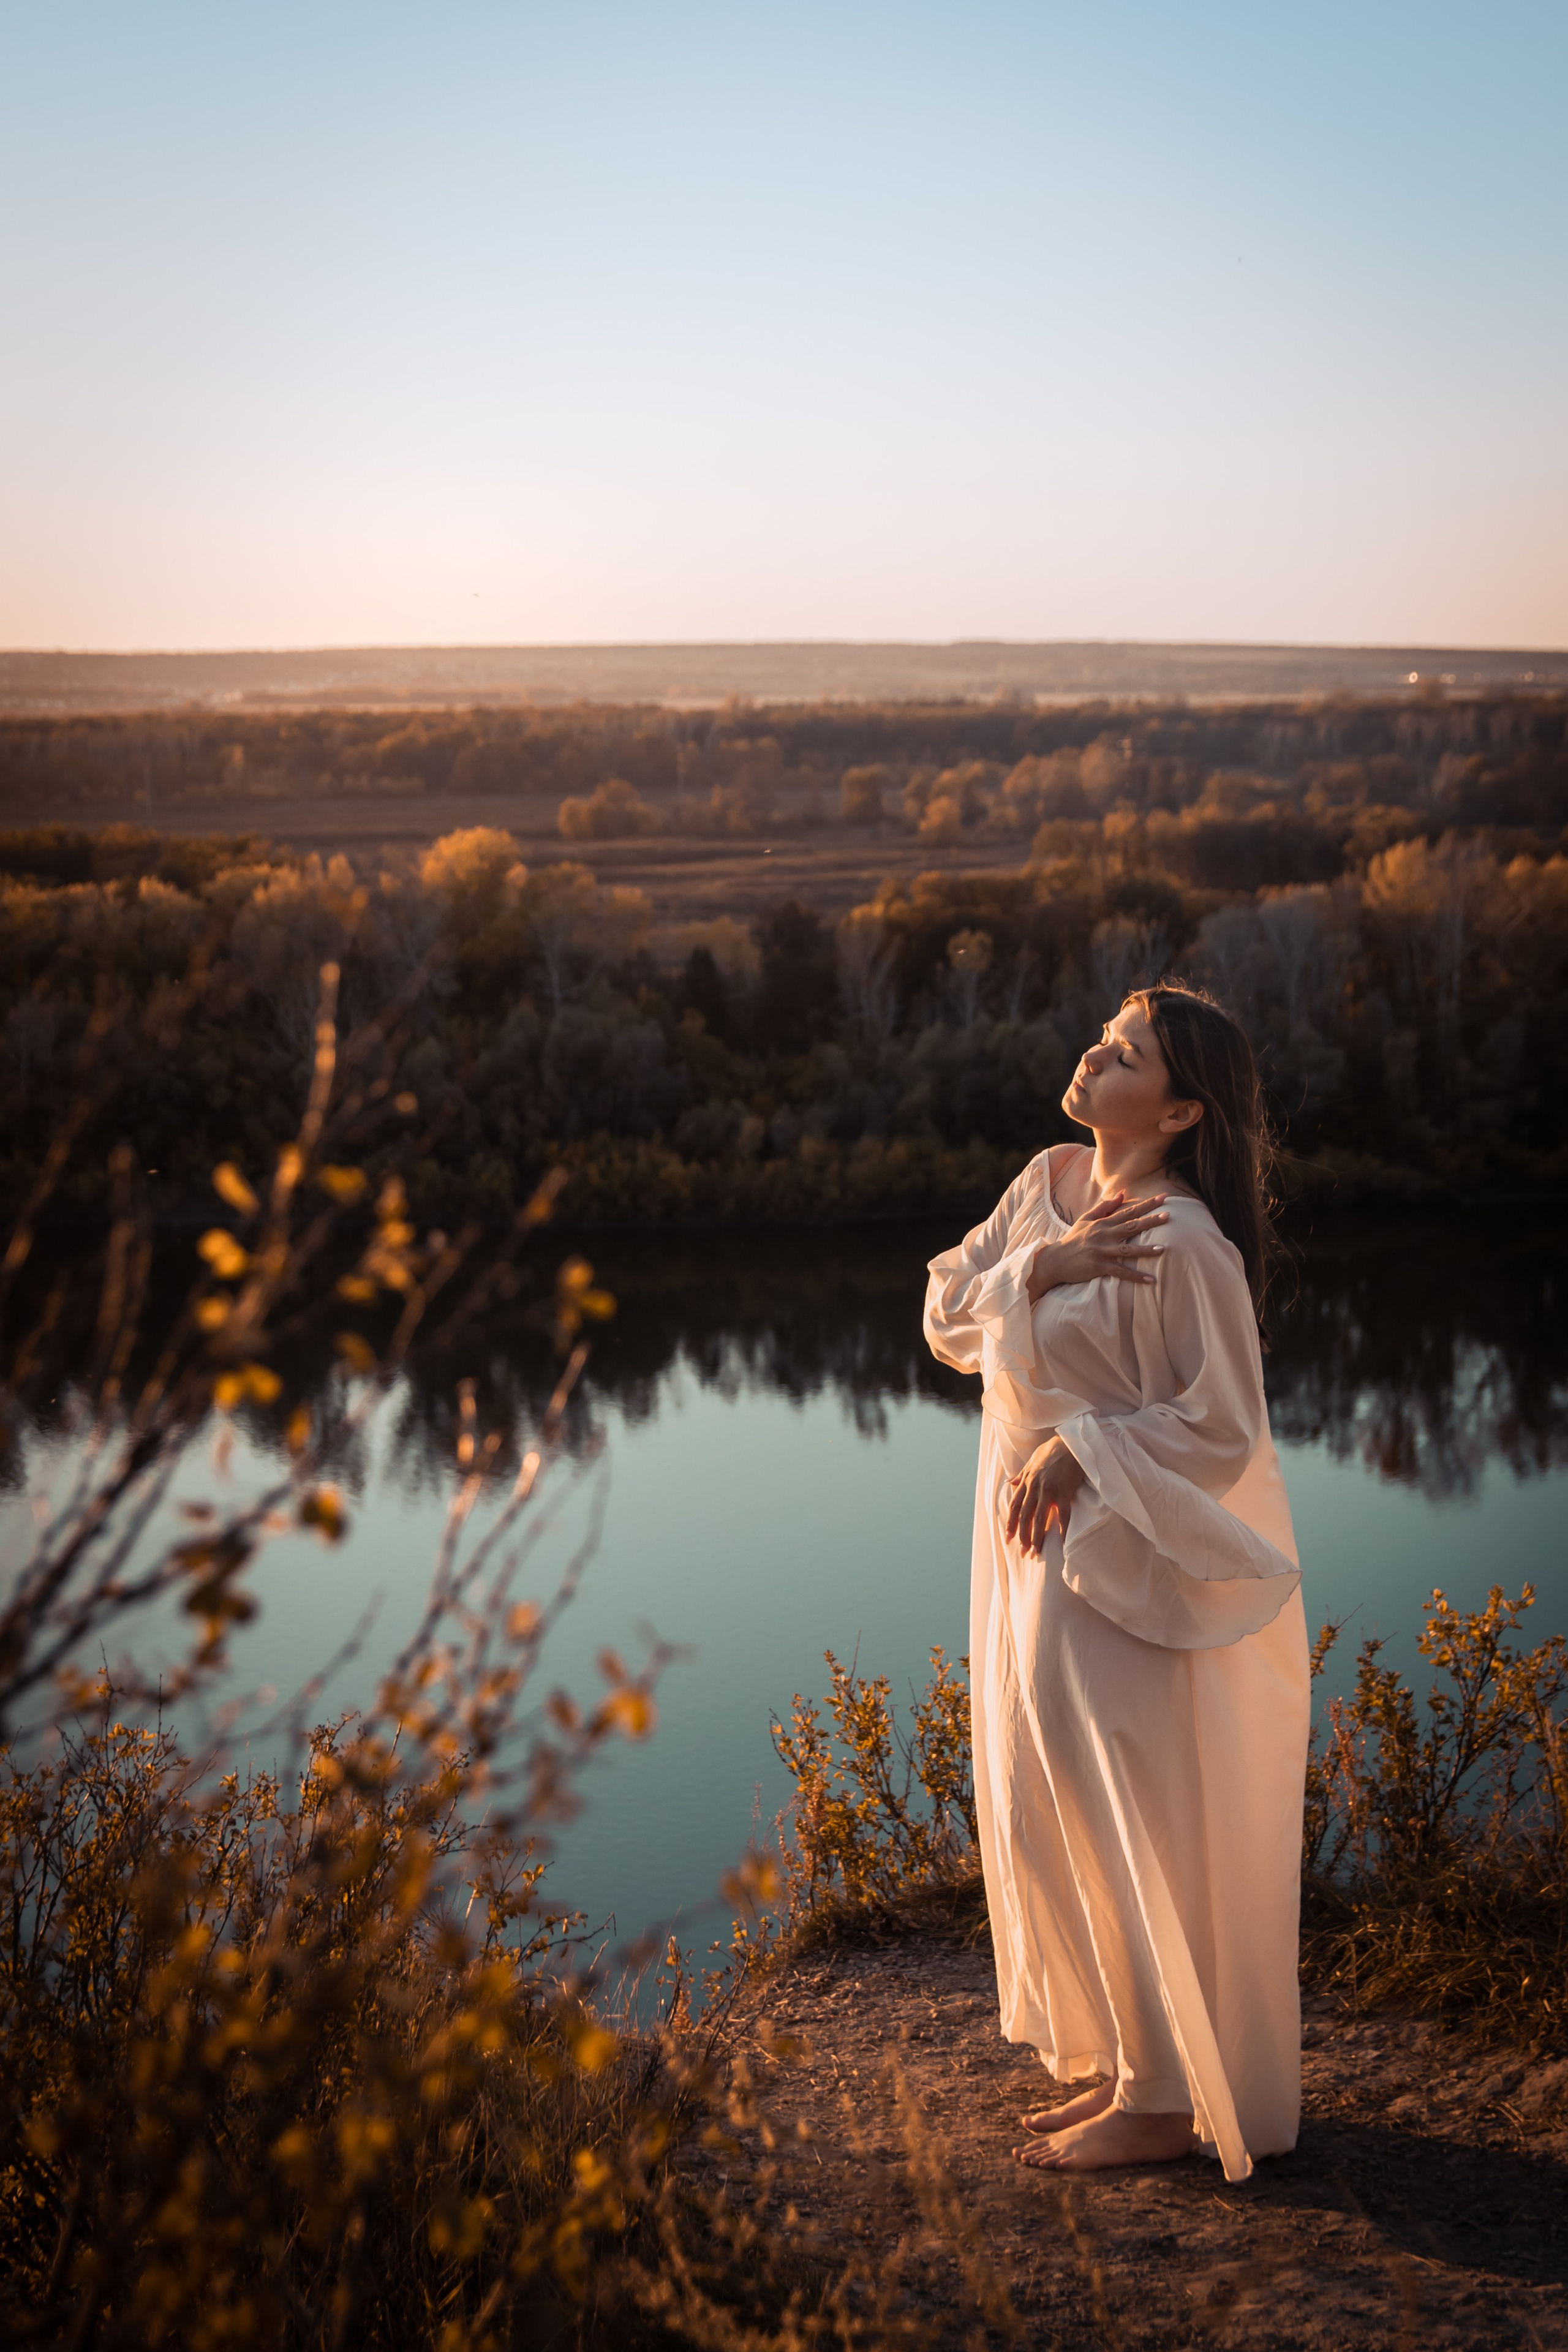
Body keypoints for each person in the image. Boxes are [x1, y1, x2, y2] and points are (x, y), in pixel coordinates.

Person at [922, 982, 1309, 2182]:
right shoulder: (1044, 1183)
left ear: (1181, 1106)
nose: (1093, 1056)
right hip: (1019, 1541)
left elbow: (1222, 1429)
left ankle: (1156, 2100)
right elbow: (945, 1312)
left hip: (1112, 1558)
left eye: (1124, 1052)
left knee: (1116, 1803)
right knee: (1042, 1791)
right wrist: (1038, 1268)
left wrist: (1076, 1449)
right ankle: (1123, 2057)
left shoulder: (1185, 1244)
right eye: (1102, 1037)